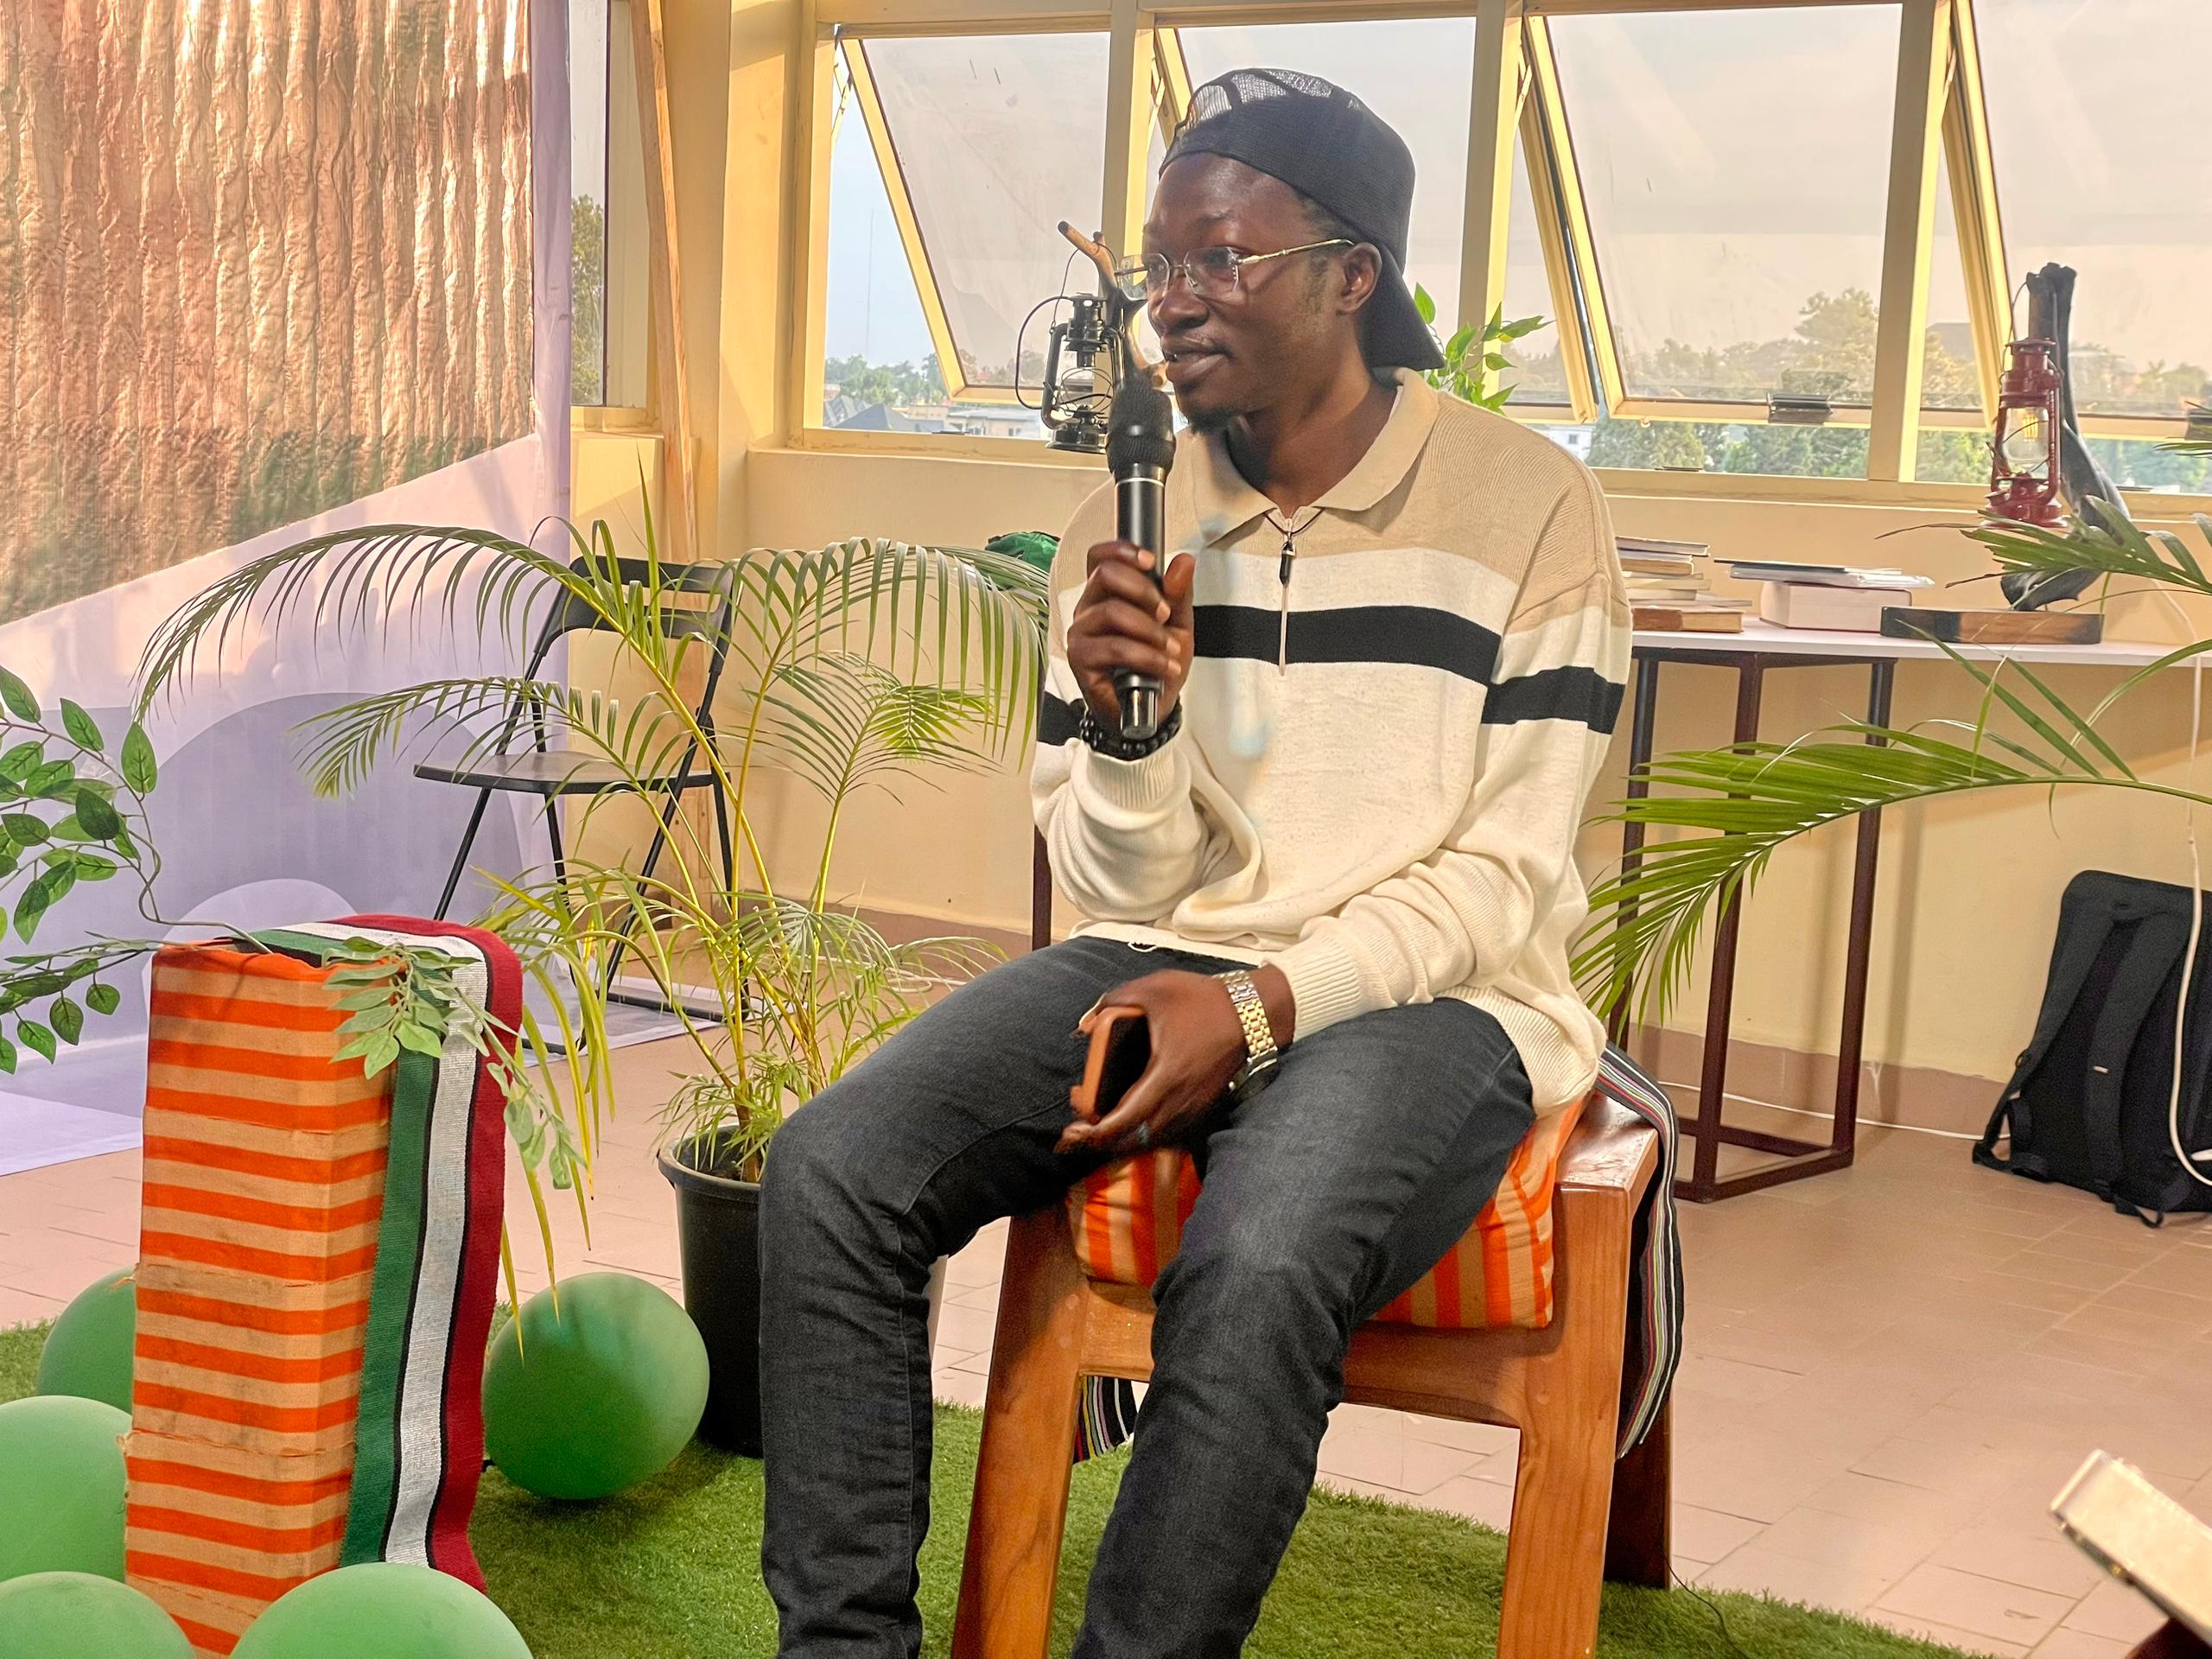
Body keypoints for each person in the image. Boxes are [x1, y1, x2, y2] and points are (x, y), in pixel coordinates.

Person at [760, 67, 1629, 1659]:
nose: (1172, 302)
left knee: (1267, 1252)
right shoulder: (1124, 517)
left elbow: (1504, 877)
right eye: (1160, 265)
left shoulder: (1530, 509)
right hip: (1173, 951)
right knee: (834, 1168)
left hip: (1440, 1000)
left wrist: (1264, 1007)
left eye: (1222, 259)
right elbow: (1125, 886)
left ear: (1353, 275)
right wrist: (1127, 726)